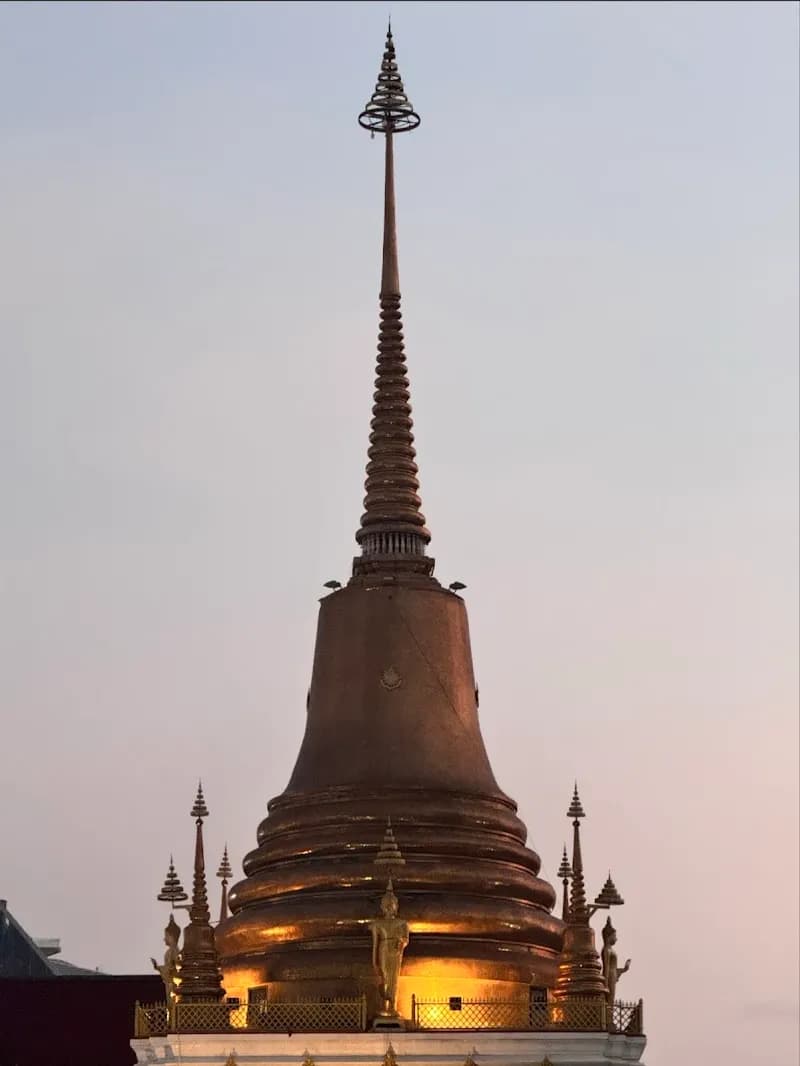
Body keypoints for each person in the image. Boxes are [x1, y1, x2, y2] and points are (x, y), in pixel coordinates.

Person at [369, 880, 409, 1017]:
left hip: (396, 951)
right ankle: (384, 1005)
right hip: (384, 949)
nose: (389, 908)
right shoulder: (377, 924)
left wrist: (401, 942)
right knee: (384, 977)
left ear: (396, 906)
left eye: (391, 905)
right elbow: (375, 943)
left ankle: (393, 1006)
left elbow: (406, 939)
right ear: (382, 906)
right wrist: (374, 961)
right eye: (386, 905)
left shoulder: (402, 923)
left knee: (394, 978)